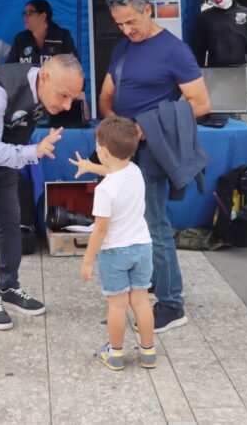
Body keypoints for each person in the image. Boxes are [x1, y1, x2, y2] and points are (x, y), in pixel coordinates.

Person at [98, 0, 210, 333]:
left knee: (152, 225)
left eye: (131, 21)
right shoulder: (123, 47)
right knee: (130, 223)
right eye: (119, 24)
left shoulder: (175, 51)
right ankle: (145, 289)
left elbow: (201, 105)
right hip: (121, 149)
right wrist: (112, 123)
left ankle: (173, 303)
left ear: (148, 10)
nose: (126, 30)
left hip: (151, 150)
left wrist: (144, 127)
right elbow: (106, 94)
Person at [0, 54, 85, 330]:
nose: (67, 105)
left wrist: (25, 153)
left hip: (4, 157)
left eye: (73, 98)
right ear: (44, 78)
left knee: (11, 221)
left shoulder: (46, 89)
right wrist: (34, 151)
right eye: (64, 95)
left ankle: (9, 286)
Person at [70, 116, 156, 371]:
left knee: (117, 305)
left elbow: (101, 230)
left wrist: (87, 260)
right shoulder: (135, 171)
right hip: (142, 247)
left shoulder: (104, 191)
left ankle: (115, 353)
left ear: (103, 151)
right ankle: (148, 351)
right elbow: (113, 170)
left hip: (114, 252)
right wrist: (90, 166)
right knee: (141, 301)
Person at [192, 0, 247, 98]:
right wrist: (197, 86)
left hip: (240, 76)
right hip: (214, 77)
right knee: (215, 114)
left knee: (237, 114)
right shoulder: (204, 19)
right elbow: (198, 55)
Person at [7, 0, 77, 66]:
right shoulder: (21, 39)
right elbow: (9, 68)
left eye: (29, 13)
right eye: (24, 14)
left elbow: (73, 66)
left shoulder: (62, 37)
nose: (25, 17)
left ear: (43, 16)